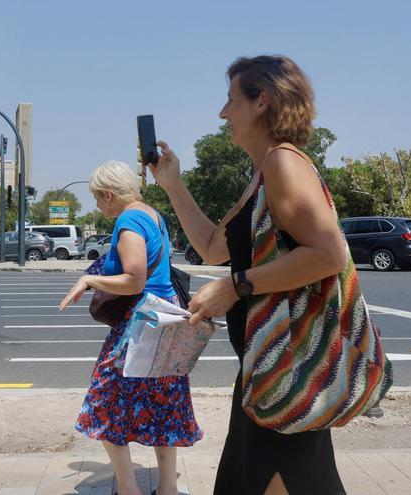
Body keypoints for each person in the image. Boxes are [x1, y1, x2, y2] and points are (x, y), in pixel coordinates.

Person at [150, 55, 348, 494]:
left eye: (230, 99)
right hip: (266, 370)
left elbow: (329, 253)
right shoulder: (262, 175)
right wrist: (173, 184)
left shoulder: (283, 163)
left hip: (285, 369)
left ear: (262, 102)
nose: (222, 112)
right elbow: (213, 247)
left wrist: (236, 287)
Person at [60, 160, 201, 495]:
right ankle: (167, 489)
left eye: (97, 198)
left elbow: (134, 279)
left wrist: (88, 278)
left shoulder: (129, 220)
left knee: (103, 402)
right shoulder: (153, 215)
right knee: (164, 403)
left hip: (137, 326)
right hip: (165, 319)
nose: (97, 204)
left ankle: (128, 489)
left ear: (109, 195)